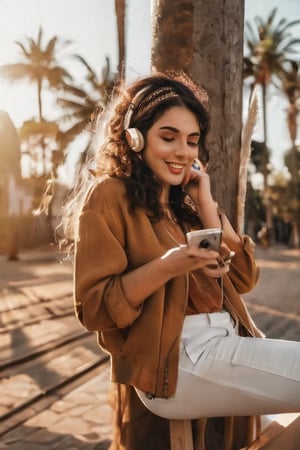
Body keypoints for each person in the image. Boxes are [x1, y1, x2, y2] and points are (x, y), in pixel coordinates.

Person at [68, 72, 300, 450]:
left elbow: (244, 278)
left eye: (192, 141)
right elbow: (94, 308)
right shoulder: (109, 196)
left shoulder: (186, 207)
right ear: (135, 137)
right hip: (178, 363)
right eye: (168, 137)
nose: (183, 152)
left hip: (226, 344)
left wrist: (206, 203)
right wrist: (169, 266)